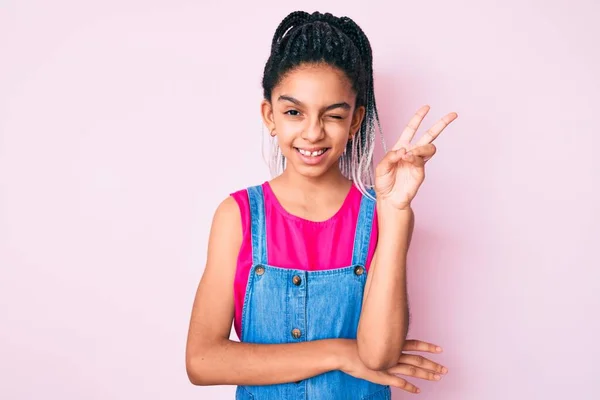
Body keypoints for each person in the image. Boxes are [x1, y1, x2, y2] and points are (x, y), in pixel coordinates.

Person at [185, 10, 458, 399]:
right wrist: (339, 353)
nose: (312, 133)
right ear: (270, 116)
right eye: (294, 112)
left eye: (333, 116)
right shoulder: (238, 217)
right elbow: (202, 360)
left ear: (355, 121)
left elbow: (378, 355)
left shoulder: (382, 215)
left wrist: (396, 212)